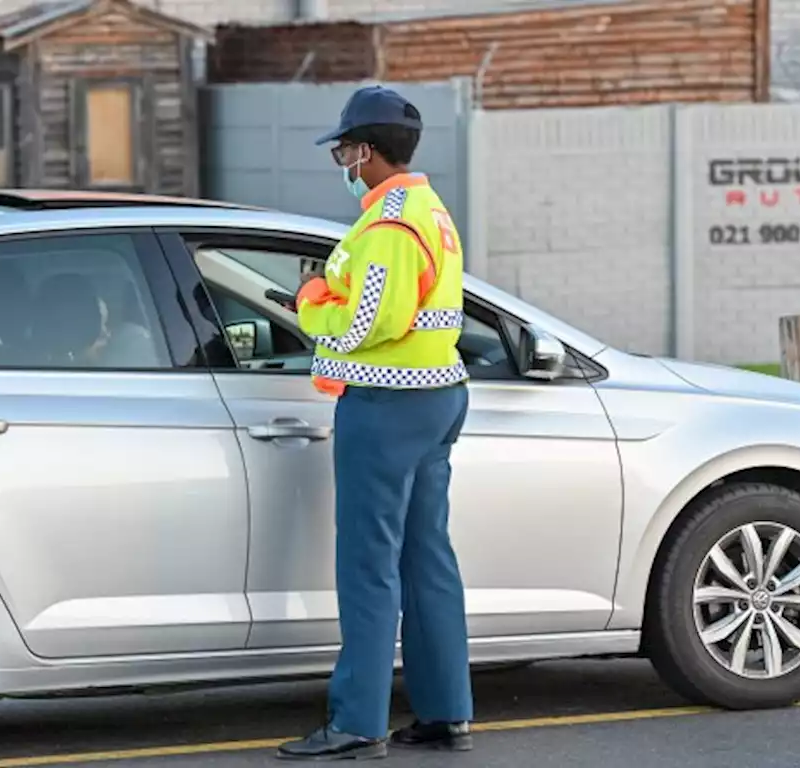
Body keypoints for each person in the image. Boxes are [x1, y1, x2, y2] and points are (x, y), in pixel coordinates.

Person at [276, 85, 474, 761]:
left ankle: (358, 722)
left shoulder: (388, 223)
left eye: (345, 148)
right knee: (427, 560)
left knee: (368, 566)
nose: (342, 159)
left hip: (387, 404)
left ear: (368, 149)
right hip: (436, 395)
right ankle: (447, 712)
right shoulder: (430, 210)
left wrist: (310, 304)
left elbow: (370, 322)